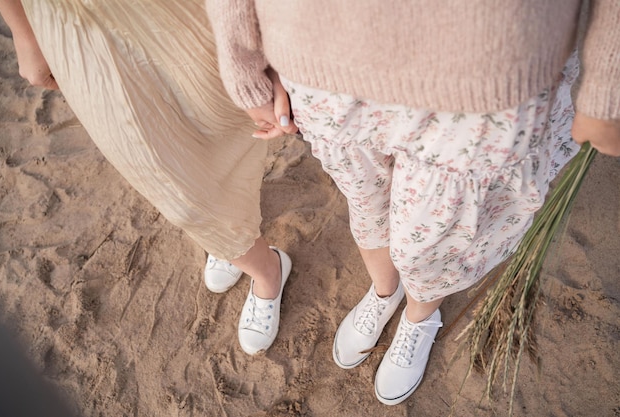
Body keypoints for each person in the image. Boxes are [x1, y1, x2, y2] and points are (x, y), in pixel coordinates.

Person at [207, 0, 620, 405]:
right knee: (367, 203)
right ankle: (385, 293)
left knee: (437, 236)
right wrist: (243, 65)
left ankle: (419, 316)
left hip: (485, 72)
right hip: (324, 58)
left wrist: (608, 82)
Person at [0, 0, 299, 356]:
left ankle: (233, 227)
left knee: (220, 107)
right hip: (68, 20)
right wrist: (22, 30)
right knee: (165, 172)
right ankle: (265, 269)